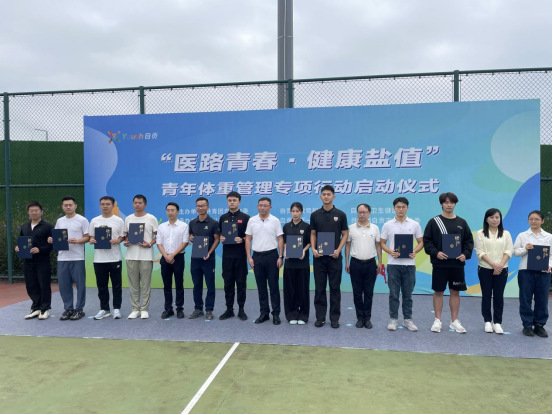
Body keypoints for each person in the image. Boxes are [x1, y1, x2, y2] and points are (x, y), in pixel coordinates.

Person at [423, 192, 474, 334]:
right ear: (441, 204)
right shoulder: (434, 222)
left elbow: (469, 242)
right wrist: (436, 253)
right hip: (440, 264)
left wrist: (465, 254)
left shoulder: (462, 222)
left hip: (457, 264)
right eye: (446, 202)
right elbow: (427, 241)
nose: (449, 205)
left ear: (455, 204)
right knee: (438, 291)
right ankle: (437, 320)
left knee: (455, 292)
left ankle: (454, 321)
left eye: (452, 202)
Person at [380, 197, 424, 332]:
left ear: (407, 208)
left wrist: (414, 251)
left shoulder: (414, 224)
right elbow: (382, 243)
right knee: (393, 294)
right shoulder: (388, 225)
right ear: (394, 208)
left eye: (403, 207)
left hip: (409, 265)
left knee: (408, 294)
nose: (401, 209)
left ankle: (407, 319)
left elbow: (421, 242)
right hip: (393, 265)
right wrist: (390, 252)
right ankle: (393, 319)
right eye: (398, 207)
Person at [310, 185, 349, 329]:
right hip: (319, 258)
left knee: (335, 288)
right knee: (319, 288)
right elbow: (313, 234)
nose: (326, 196)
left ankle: (334, 318)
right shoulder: (315, 215)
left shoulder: (341, 214)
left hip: (335, 257)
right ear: (321, 197)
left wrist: (338, 250)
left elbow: (345, 234)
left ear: (333, 196)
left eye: (329, 194)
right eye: (324, 194)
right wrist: (313, 249)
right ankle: (320, 318)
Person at [49, 196, 90, 321]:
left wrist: (77, 241)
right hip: (62, 258)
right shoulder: (60, 221)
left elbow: (87, 237)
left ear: (75, 206)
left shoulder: (82, 220)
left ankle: (79, 309)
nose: (68, 207)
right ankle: (68, 309)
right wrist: (52, 240)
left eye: (70, 205)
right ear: (62, 207)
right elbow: (57, 237)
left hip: (78, 257)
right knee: (64, 285)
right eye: (65, 205)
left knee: (80, 285)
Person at [245, 197, 284, 325]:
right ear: (257, 206)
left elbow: (280, 239)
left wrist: (280, 256)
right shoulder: (252, 220)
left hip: (272, 256)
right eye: (260, 205)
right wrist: (249, 257)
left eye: (265, 205)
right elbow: (248, 239)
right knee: (261, 287)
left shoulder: (275, 220)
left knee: (274, 286)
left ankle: (276, 314)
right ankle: (264, 313)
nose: (263, 208)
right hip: (257, 256)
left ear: (270, 207)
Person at [474, 208, 514, 335]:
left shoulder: (506, 234)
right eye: (491, 217)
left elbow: (509, 251)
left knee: (498, 296)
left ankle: (497, 322)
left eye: (497, 217)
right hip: (485, 268)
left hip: (502, 269)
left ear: (500, 219)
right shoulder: (480, 233)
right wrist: (493, 264)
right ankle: (487, 321)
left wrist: (500, 265)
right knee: (486, 295)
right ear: (486, 219)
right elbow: (479, 252)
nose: (494, 220)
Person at [514, 210, 552, 338]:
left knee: (542, 299)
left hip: (544, 273)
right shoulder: (522, 235)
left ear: (542, 221)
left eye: (536, 219)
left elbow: (551, 255)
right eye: (531, 219)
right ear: (528, 220)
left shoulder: (549, 237)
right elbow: (515, 252)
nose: (533, 221)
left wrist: (549, 265)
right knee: (525, 299)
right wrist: (525, 248)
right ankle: (527, 325)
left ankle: (539, 325)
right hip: (526, 271)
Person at [345, 204, 383, 329]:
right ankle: (359, 318)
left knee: (368, 292)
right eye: (360, 212)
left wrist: (380, 262)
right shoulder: (351, 228)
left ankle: (367, 318)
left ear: (369, 213)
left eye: (364, 212)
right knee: (357, 292)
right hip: (355, 263)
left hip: (371, 263)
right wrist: (347, 262)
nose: (362, 214)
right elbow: (348, 245)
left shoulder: (375, 228)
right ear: (357, 213)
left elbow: (378, 245)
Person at [89, 196, 126, 320]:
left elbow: (122, 236)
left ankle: (116, 309)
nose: (105, 206)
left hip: (115, 258)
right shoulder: (94, 221)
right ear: (100, 205)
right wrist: (92, 240)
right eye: (103, 204)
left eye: (108, 204)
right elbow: (91, 237)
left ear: (113, 205)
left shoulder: (118, 221)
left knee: (116, 285)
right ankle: (104, 309)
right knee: (102, 286)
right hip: (99, 259)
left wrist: (118, 240)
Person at [15, 201, 53, 321]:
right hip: (28, 261)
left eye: (36, 210)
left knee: (44, 285)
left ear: (41, 212)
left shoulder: (48, 226)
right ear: (28, 212)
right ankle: (35, 307)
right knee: (31, 285)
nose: (34, 213)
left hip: (42, 261)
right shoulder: (25, 227)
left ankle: (45, 309)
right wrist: (18, 248)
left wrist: (40, 250)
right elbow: (21, 241)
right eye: (31, 211)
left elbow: (52, 245)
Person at [124, 194, 158, 320]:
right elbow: (125, 236)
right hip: (131, 256)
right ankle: (135, 309)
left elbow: (158, 236)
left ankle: (144, 309)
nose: (137, 205)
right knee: (133, 285)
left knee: (145, 284)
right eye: (135, 203)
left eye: (140, 203)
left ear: (145, 204)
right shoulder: (128, 218)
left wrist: (149, 243)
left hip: (146, 256)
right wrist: (126, 242)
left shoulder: (151, 218)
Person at [218, 192, 250, 322]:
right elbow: (220, 234)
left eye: (234, 200)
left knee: (241, 284)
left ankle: (241, 309)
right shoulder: (223, 218)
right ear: (227, 202)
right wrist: (221, 238)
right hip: (227, 256)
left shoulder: (246, 217)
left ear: (239, 202)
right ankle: (229, 309)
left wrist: (242, 239)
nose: (232, 202)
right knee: (228, 284)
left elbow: (249, 237)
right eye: (229, 200)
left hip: (240, 256)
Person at [188, 197, 220, 321]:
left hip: (208, 259)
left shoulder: (213, 223)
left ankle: (209, 309)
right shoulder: (192, 223)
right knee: (197, 284)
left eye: (203, 205)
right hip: (195, 259)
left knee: (210, 284)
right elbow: (191, 237)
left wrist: (209, 252)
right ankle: (198, 309)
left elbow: (217, 239)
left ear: (208, 207)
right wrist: (191, 238)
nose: (200, 208)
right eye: (198, 206)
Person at [157, 202, 189, 320]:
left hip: (178, 257)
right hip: (165, 258)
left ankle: (180, 309)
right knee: (167, 285)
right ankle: (168, 309)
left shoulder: (183, 226)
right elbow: (159, 243)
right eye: (168, 210)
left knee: (179, 284)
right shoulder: (161, 226)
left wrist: (172, 255)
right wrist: (166, 256)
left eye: (172, 210)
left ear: (177, 212)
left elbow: (185, 242)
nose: (170, 212)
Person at [283, 202, 311, 325]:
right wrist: (286, 251)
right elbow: (284, 242)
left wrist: (304, 250)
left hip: (302, 262)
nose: (295, 213)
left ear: (301, 212)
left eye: (297, 211)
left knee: (303, 290)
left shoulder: (307, 226)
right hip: (289, 263)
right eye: (293, 211)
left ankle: (303, 315)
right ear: (290, 212)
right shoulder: (286, 227)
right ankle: (291, 314)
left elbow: (310, 242)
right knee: (290, 290)